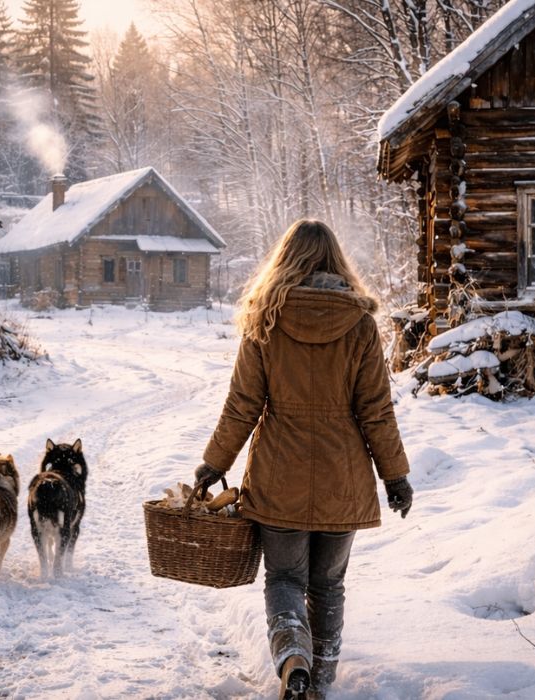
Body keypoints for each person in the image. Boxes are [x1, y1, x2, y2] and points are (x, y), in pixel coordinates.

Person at [195, 219, 413, 700]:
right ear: (336, 259)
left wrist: (214, 463)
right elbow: (375, 409)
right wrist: (395, 475)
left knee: (286, 579)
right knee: (329, 587)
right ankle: (321, 684)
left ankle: (293, 661)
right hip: (343, 476)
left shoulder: (265, 319)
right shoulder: (359, 324)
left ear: (284, 258)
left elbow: (242, 406)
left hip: (279, 476)